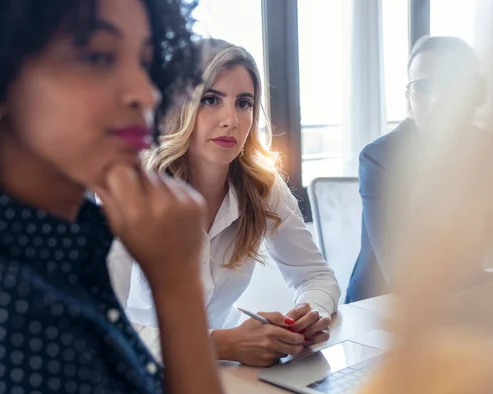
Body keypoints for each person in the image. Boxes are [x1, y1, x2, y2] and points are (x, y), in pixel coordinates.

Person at [0, 1, 228, 394]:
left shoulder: (51, 251)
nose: (146, 93)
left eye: (145, 62)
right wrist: (177, 285)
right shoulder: (5, 311)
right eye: (98, 57)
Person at [112, 39, 341, 368]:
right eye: (210, 99)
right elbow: (98, 325)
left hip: (223, 376)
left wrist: (308, 315)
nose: (230, 119)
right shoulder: (128, 188)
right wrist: (220, 344)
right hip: (136, 374)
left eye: (244, 103)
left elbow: (316, 277)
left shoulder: (262, 187)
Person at [346, 36, 488, 303]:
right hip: (382, 310)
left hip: (466, 301)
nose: (435, 100)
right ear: (409, 97)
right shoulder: (381, 158)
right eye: (422, 87)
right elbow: (404, 274)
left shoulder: (492, 149)